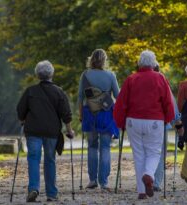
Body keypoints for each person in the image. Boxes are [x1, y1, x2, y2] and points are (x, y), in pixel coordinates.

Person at [113, 50, 175, 199]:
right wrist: (168, 118)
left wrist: (120, 122)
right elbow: (168, 101)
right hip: (154, 120)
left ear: (139, 63)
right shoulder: (160, 78)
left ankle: (141, 191)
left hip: (133, 121)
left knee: (138, 154)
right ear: (154, 63)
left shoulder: (131, 79)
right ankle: (149, 174)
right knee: (154, 152)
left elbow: (121, 103)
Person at [17, 60, 74, 202]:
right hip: (51, 132)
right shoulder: (59, 92)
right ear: (51, 74)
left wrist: (23, 119)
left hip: (33, 131)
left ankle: (34, 188)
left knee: (33, 159)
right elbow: (66, 114)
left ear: (37, 75)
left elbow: (20, 109)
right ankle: (51, 193)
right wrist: (69, 130)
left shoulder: (30, 91)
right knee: (50, 160)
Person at [78, 49, 120, 190]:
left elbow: (80, 97)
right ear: (104, 60)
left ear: (91, 60)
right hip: (106, 113)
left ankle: (92, 180)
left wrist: (80, 115)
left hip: (89, 113)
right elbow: (118, 96)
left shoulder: (85, 75)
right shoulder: (110, 75)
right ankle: (104, 181)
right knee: (105, 147)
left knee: (92, 146)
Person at [152, 64, 182, 192]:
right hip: (160, 122)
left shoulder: (137, 80)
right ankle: (156, 182)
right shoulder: (162, 81)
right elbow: (171, 103)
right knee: (160, 153)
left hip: (141, 121)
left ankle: (146, 180)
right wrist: (177, 122)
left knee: (146, 152)